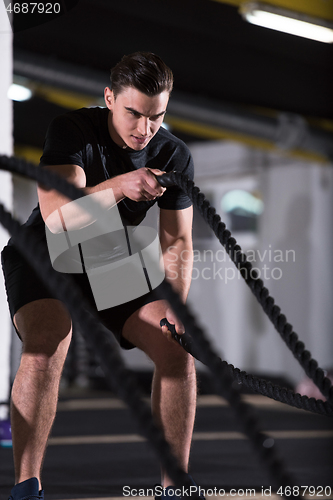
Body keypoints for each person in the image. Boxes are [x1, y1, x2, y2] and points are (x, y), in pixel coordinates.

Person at [2, 52, 198, 500]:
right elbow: (57, 219)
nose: (144, 129)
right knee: (47, 342)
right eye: (133, 113)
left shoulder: (173, 154)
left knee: (177, 351)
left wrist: (176, 304)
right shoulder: (71, 130)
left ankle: (175, 488)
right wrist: (118, 186)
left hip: (108, 258)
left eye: (156, 116)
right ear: (110, 99)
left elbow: (177, 244)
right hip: (42, 253)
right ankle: (26, 487)